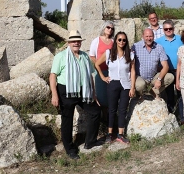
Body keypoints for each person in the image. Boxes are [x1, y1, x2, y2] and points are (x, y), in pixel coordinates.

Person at [49, 30, 101, 160]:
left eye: (78, 41)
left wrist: (94, 94)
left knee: (95, 111)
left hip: (84, 90)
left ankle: (90, 141)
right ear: (68, 43)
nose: (76, 43)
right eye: (73, 41)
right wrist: (54, 95)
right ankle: (70, 149)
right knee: (67, 119)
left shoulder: (85, 56)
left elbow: (90, 76)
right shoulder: (60, 57)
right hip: (66, 91)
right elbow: (52, 76)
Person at [94, 32, 135, 144]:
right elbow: (96, 64)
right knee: (111, 109)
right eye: (119, 39)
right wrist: (103, 77)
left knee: (122, 110)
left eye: (124, 40)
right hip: (113, 83)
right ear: (116, 40)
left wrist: (132, 87)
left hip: (125, 84)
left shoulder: (130, 55)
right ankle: (110, 133)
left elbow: (132, 71)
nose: (122, 42)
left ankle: (120, 134)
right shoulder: (108, 53)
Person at [132, 28, 174, 100]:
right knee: (140, 85)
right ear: (143, 36)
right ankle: (141, 93)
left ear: (154, 36)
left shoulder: (159, 48)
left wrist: (159, 79)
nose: (149, 38)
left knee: (170, 77)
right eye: (147, 36)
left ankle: (152, 92)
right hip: (140, 77)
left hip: (153, 77)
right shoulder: (135, 46)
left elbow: (166, 66)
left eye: (150, 36)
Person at [155, 20, 184, 123]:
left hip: (179, 70)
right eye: (166, 29)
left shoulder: (180, 39)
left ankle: (182, 118)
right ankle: (171, 116)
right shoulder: (158, 41)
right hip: (166, 72)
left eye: (170, 29)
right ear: (163, 30)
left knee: (181, 94)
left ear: (173, 29)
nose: (168, 30)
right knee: (169, 95)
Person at [89, 21, 115, 112]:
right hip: (100, 71)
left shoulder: (113, 41)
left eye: (112, 28)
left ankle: (109, 116)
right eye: (108, 27)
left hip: (111, 72)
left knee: (110, 94)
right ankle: (100, 114)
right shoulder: (97, 41)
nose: (110, 30)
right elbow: (92, 55)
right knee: (100, 94)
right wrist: (98, 64)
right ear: (104, 28)